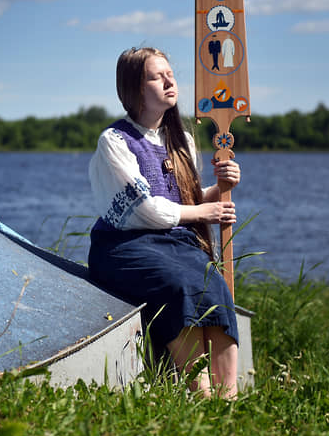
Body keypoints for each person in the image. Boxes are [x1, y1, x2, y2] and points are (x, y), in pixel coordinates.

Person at [88, 47, 241, 398]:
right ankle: (201, 396)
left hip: (174, 245)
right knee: (180, 285)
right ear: (135, 89)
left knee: (215, 287)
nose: (170, 80)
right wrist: (205, 213)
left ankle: (229, 399)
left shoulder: (180, 140)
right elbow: (146, 210)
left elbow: (184, 204)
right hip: (123, 247)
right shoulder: (115, 140)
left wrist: (221, 188)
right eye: (157, 76)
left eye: (170, 74)